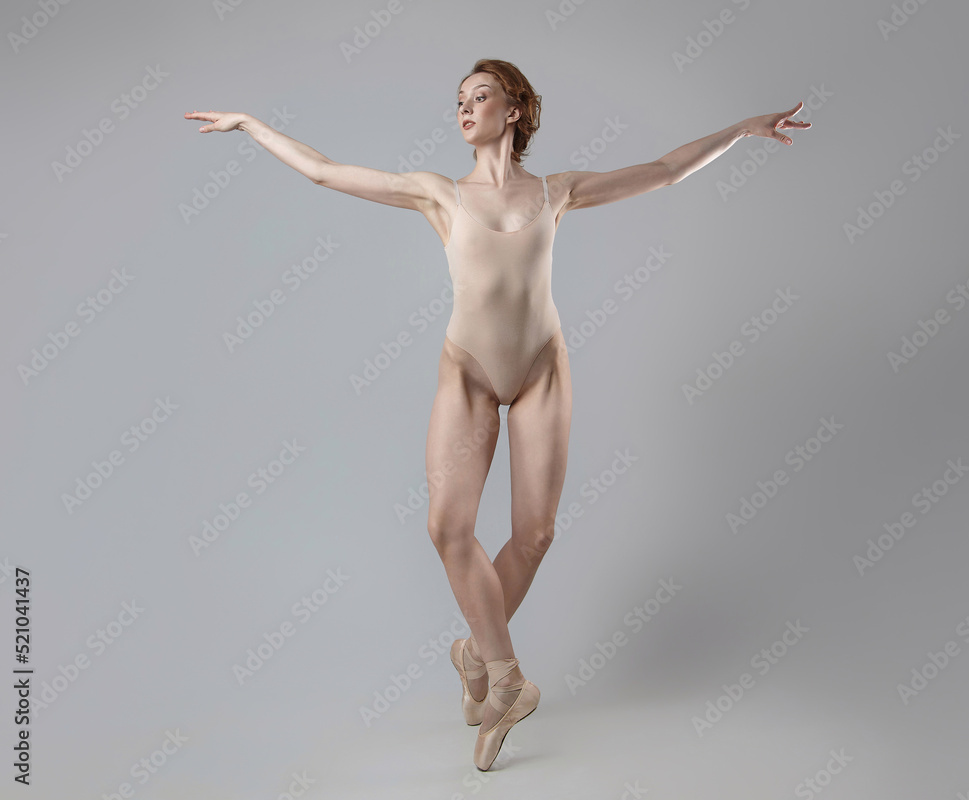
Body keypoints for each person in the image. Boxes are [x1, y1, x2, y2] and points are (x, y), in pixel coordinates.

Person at [184, 57, 811, 771]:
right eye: (457, 99)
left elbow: (664, 169)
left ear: (514, 110)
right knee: (447, 528)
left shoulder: (558, 191)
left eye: (479, 96)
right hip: (470, 374)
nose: (464, 107)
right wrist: (250, 126)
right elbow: (327, 171)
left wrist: (744, 128)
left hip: (543, 367)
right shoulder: (437, 195)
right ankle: (507, 677)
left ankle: (475, 654)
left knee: (535, 534)